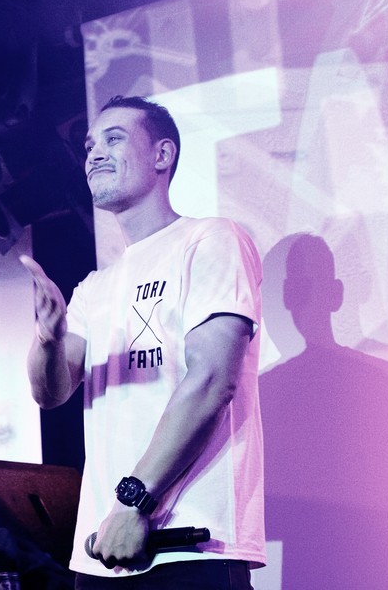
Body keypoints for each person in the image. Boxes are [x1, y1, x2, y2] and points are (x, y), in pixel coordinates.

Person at [21, 96, 265, 588]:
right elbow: (51, 392)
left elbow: (213, 379)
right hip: (102, 551)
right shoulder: (94, 287)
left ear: (162, 155)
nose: (94, 153)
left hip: (189, 546)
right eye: (89, 146)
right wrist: (48, 339)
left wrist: (135, 501)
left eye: (113, 139)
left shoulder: (211, 239)